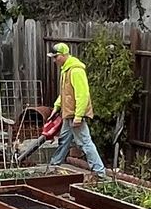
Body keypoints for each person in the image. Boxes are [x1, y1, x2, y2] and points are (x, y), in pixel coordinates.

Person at [42, 39, 106, 174]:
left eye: (56, 57)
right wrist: (56, 107)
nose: (54, 61)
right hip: (68, 113)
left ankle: (100, 173)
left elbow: (82, 94)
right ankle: (55, 164)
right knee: (64, 140)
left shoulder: (76, 70)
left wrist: (79, 116)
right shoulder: (65, 70)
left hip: (74, 114)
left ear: (64, 55)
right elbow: (65, 93)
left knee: (85, 143)